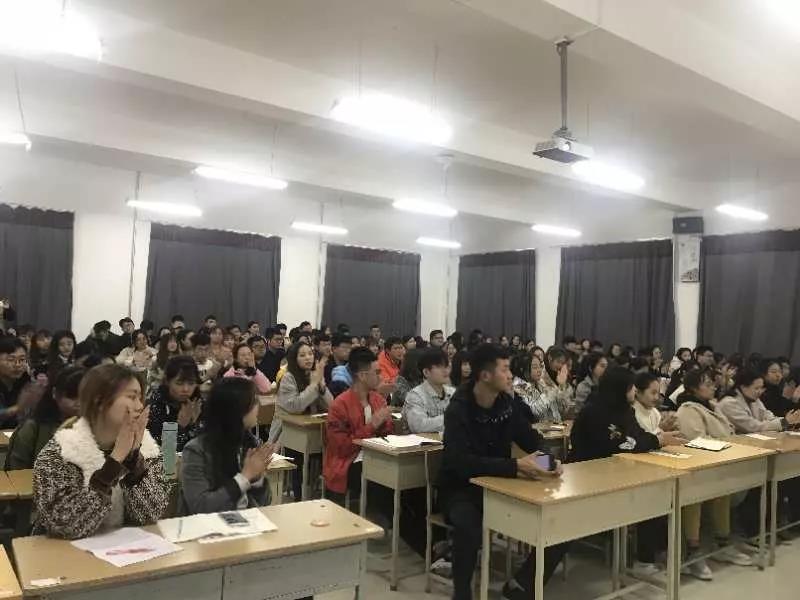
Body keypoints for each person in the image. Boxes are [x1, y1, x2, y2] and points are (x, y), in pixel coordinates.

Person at [439, 344, 566, 600]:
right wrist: (515, 466)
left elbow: (531, 440)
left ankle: (522, 584)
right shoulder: (459, 409)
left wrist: (549, 463)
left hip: (502, 485)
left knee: (559, 517)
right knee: (468, 526)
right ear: (485, 375)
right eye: (505, 369)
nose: (510, 376)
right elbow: (460, 463)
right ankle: (462, 593)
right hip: (462, 489)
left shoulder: (507, 405)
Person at [32, 364, 168, 539]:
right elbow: (66, 525)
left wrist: (133, 459)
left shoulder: (147, 449)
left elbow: (149, 515)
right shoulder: (61, 452)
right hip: (64, 552)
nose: (139, 406)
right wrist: (114, 463)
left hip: (124, 547)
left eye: (140, 398)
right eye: (132, 397)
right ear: (99, 401)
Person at [674, 369, 752, 578]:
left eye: (712, 383)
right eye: (707, 384)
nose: (713, 387)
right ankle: (693, 552)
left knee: (723, 495)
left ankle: (722, 544)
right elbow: (697, 441)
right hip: (695, 468)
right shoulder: (687, 409)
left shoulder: (712, 405)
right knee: (694, 500)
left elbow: (729, 431)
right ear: (693, 388)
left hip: (719, 463)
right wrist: (725, 445)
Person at [180, 378, 275, 514]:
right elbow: (200, 507)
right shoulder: (196, 450)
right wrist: (244, 477)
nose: (258, 405)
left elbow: (265, 503)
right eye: (253, 401)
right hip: (210, 525)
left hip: (245, 522)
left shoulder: (250, 443)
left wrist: (257, 479)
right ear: (236, 410)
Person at [570, 366, 686, 463]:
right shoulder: (595, 412)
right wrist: (657, 440)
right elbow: (621, 444)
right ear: (619, 389)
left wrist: (659, 438)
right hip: (588, 467)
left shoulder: (625, 409)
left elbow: (638, 434)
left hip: (615, 466)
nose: (635, 390)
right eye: (630, 387)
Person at [324, 347, 392, 502]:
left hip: (377, 455)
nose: (381, 377)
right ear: (362, 376)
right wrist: (372, 426)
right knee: (382, 481)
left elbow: (388, 435)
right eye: (377, 373)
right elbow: (341, 448)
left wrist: (384, 425)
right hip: (347, 462)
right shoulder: (339, 405)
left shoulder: (378, 399)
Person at [269, 342, 332, 500]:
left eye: (310, 354)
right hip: (287, 430)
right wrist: (313, 385)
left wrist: (321, 386)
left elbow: (332, 405)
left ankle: (319, 495)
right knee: (299, 459)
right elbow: (295, 406)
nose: (308, 358)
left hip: (313, 428)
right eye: (302, 355)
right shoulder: (288, 377)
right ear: (294, 358)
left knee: (325, 452)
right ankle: (300, 497)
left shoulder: (314, 375)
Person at [6, 366, 85, 470]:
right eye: (72, 397)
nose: (79, 403)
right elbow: (16, 471)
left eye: (85, 397)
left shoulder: (96, 427)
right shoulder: (33, 428)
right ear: (55, 393)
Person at [146, 356, 202, 451]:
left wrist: (193, 424)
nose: (186, 389)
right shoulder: (157, 404)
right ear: (167, 382)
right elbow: (167, 451)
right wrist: (180, 426)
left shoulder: (198, 403)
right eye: (179, 383)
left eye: (191, 383)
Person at [718, 368, 800, 433]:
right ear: (743, 387)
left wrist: (790, 420)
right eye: (756, 388)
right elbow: (752, 426)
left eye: (761, 388)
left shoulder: (754, 400)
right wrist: (784, 422)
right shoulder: (729, 403)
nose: (760, 391)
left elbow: (768, 416)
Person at [403, 348, 453, 433]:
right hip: (421, 441)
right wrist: (452, 419)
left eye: (446, 366)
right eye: (439, 366)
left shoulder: (453, 393)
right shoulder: (415, 395)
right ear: (426, 372)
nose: (445, 371)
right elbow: (418, 426)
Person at [511, 353, 570, 423]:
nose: (539, 370)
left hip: (555, 425)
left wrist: (562, 387)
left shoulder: (542, 382)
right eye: (535, 367)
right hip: (538, 427)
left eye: (540, 366)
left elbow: (563, 409)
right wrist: (551, 393)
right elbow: (533, 411)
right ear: (523, 369)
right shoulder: (519, 386)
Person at [539, 347, 575, 418]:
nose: (560, 365)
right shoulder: (541, 375)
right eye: (558, 362)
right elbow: (548, 401)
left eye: (562, 363)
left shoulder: (560, 374)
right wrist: (561, 388)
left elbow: (566, 403)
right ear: (550, 358)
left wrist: (563, 386)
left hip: (560, 418)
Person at [0, 337, 28, 427]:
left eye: (22, 360)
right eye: (11, 360)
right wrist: (18, 408)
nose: (17, 365)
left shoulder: (26, 381)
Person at [191, 332, 220, 399]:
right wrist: (207, 376)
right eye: (200, 349)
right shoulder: (188, 365)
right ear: (193, 349)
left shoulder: (213, 364)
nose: (203, 353)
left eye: (206, 349)